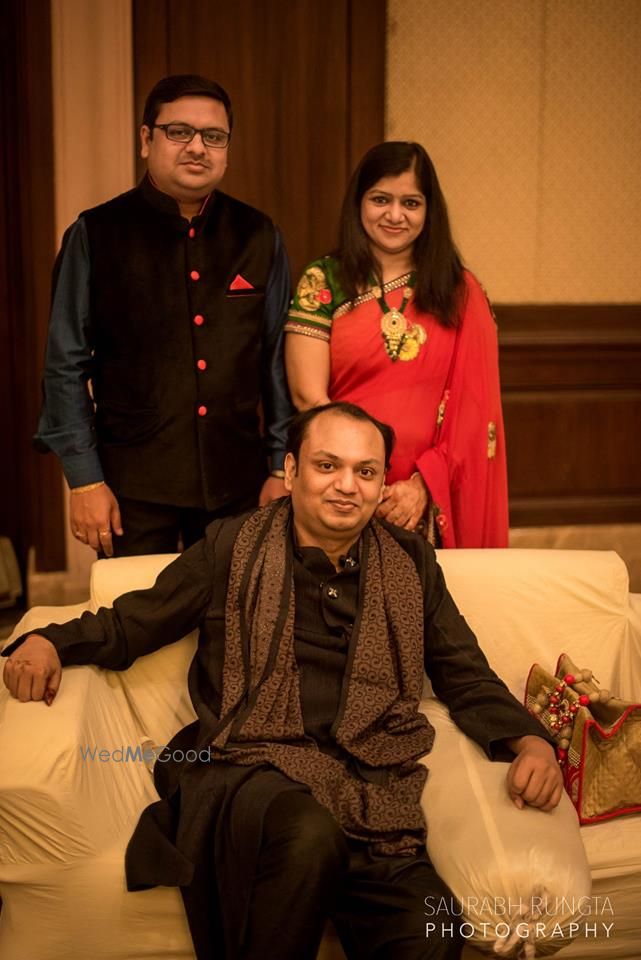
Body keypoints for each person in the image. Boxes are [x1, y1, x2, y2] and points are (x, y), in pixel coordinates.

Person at [4, 402, 561, 960]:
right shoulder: (232, 545)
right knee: (310, 834)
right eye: (327, 466)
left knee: (428, 928)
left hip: (371, 790)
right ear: (291, 472)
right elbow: (132, 622)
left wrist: (530, 740)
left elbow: (465, 672)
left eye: (366, 472)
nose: (347, 486)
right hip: (249, 769)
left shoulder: (410, 563)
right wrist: (50, 640)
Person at [36, 74, 293, 557]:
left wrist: (281, 466)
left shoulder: (260, 235)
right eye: (179, 132)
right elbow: (64, 363)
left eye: (213, 137)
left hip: (237, 484)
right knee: (131, 624)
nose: (197, 147)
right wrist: (85, 480)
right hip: (130, 489)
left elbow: (278, 360)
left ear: (227, 148)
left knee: (232, 624)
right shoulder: (95, 233)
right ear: (146, 139)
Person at [285, 141, 507, 548]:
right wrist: (358, 479)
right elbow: (308, 398)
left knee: (420, 608)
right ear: (359, 203)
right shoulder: (324, 281)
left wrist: (425, 485)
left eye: (411, 203)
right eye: (380, 199)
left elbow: (475, 414)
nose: (394, 215)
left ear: (428, 211)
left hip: (426, 501)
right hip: (342, 490)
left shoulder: (460, 293)